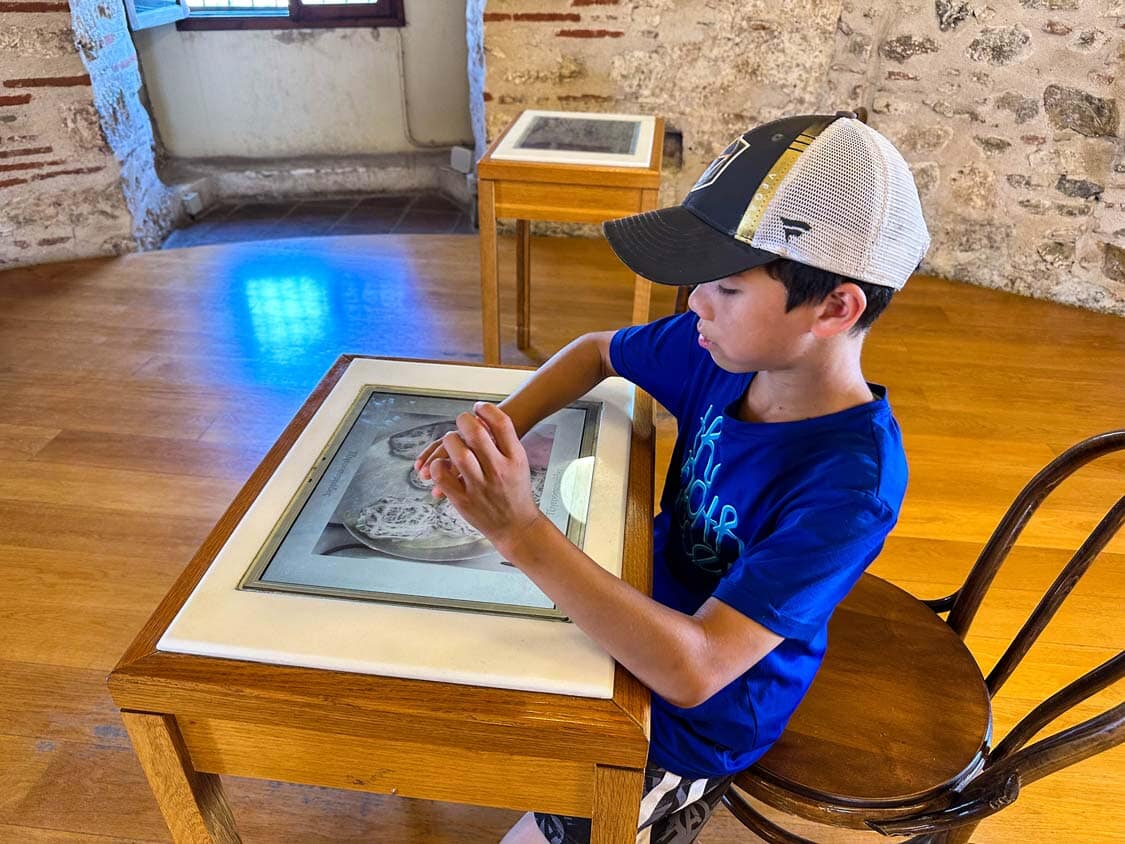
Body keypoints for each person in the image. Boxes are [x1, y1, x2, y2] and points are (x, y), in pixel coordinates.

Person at [413, 111, 930, 844]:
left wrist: (518, 528)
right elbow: (596, 350)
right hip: (631, 598)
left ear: (834, 306)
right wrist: (500, 426)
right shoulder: (715, 352)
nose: (693, 303)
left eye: (724, 287)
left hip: (696, 719)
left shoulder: (850, 489)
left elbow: (698, 672)